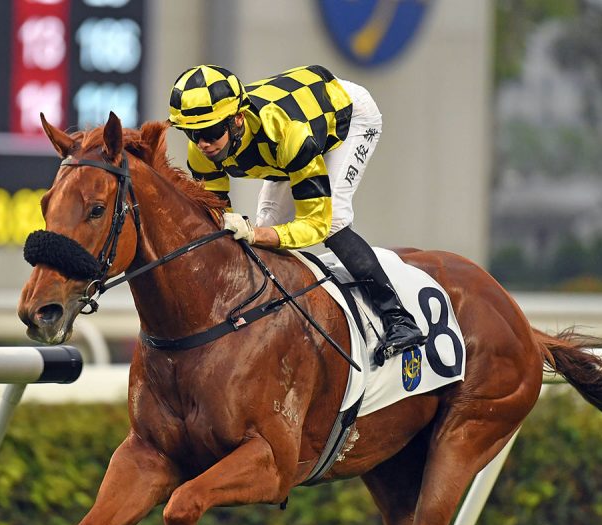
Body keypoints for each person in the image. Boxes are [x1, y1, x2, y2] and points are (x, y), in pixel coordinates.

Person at [168, 64, 426, 365]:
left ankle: (398, 318)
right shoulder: (202, 150)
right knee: (266, 229)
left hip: (347, 118)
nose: (203, 143)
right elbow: (218, 220)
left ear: (237, 119)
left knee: (334, 220)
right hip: (288, 140)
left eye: (211, 132)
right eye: (192, 133)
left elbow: (316, 224)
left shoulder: (288, 134)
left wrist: (255, 233)